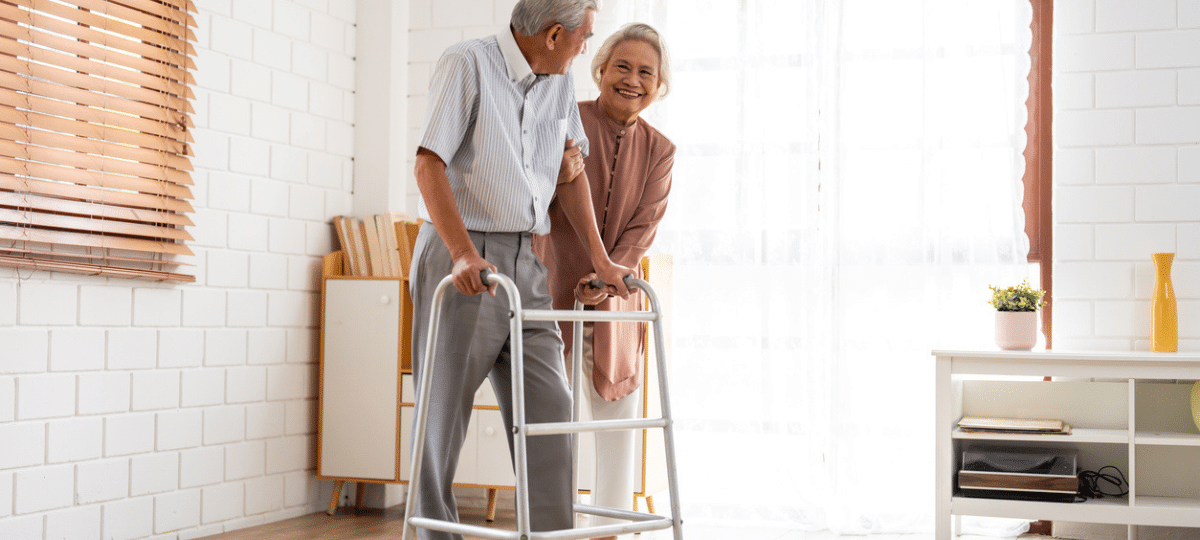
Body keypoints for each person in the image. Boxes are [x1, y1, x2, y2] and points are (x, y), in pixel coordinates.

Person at [408, 1, 637, 539]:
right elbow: (428, 164)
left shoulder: (557, 76)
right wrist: (463, 252)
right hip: (462, 253)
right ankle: (434, 535)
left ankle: (553, 535)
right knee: (442, 415)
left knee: (550, 406)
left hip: (525, 260)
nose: (588, 47)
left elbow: (570, 173)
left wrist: (601, 259)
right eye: (585, 37)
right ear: (555, 34)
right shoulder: (467, 63)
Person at [533, 23, 675, 540]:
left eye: (646, 72)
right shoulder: (564, 117)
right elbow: (542, 195)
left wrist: (606, 274)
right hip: (551, 288)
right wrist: (583, 275)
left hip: (617, 303)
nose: (632, 79)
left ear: (659, 85)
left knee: (617, 421)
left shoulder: (661, 149)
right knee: (557, 420)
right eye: (623, 66)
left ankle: (608, 531)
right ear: (600, 69)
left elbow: (644, 228)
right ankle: (555, 528)